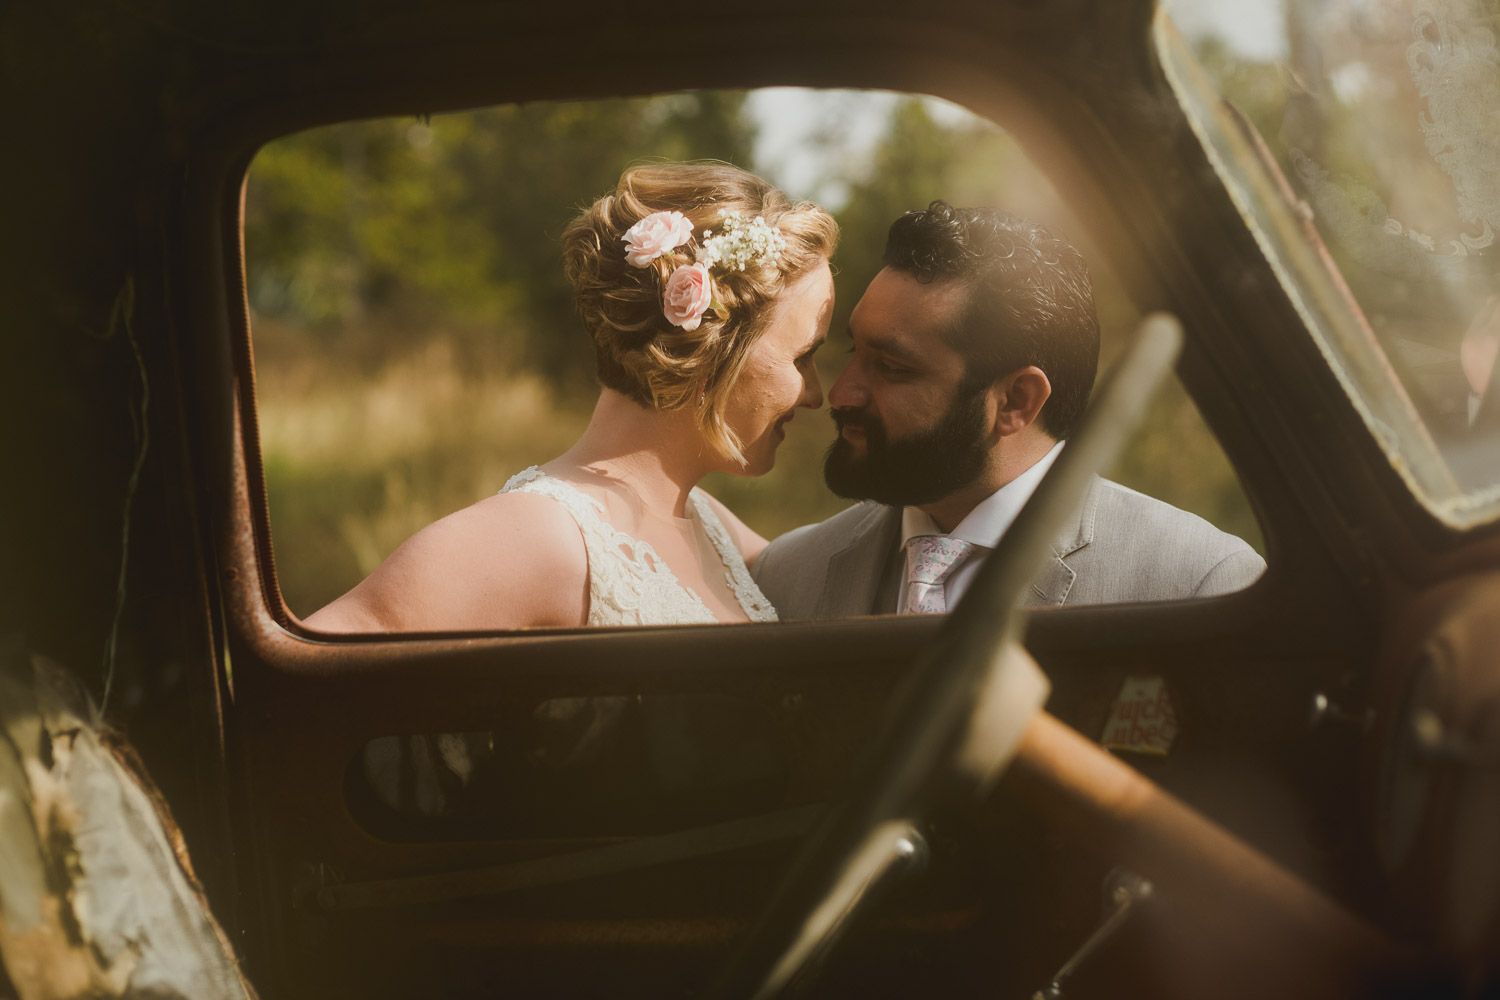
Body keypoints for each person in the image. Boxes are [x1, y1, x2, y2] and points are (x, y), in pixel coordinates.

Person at [307, 163, 838, 631]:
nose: (816, 394)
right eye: (802, 357)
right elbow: (302, 674)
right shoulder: (537, 538)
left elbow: (852, 561)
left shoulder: (710, 523)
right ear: (714, 349)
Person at [753, 201, 1264, 619]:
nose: (841, 394)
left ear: (1016, 402)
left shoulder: (1201, 584)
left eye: (891, 367)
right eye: (853, 352)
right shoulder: (787, 575)